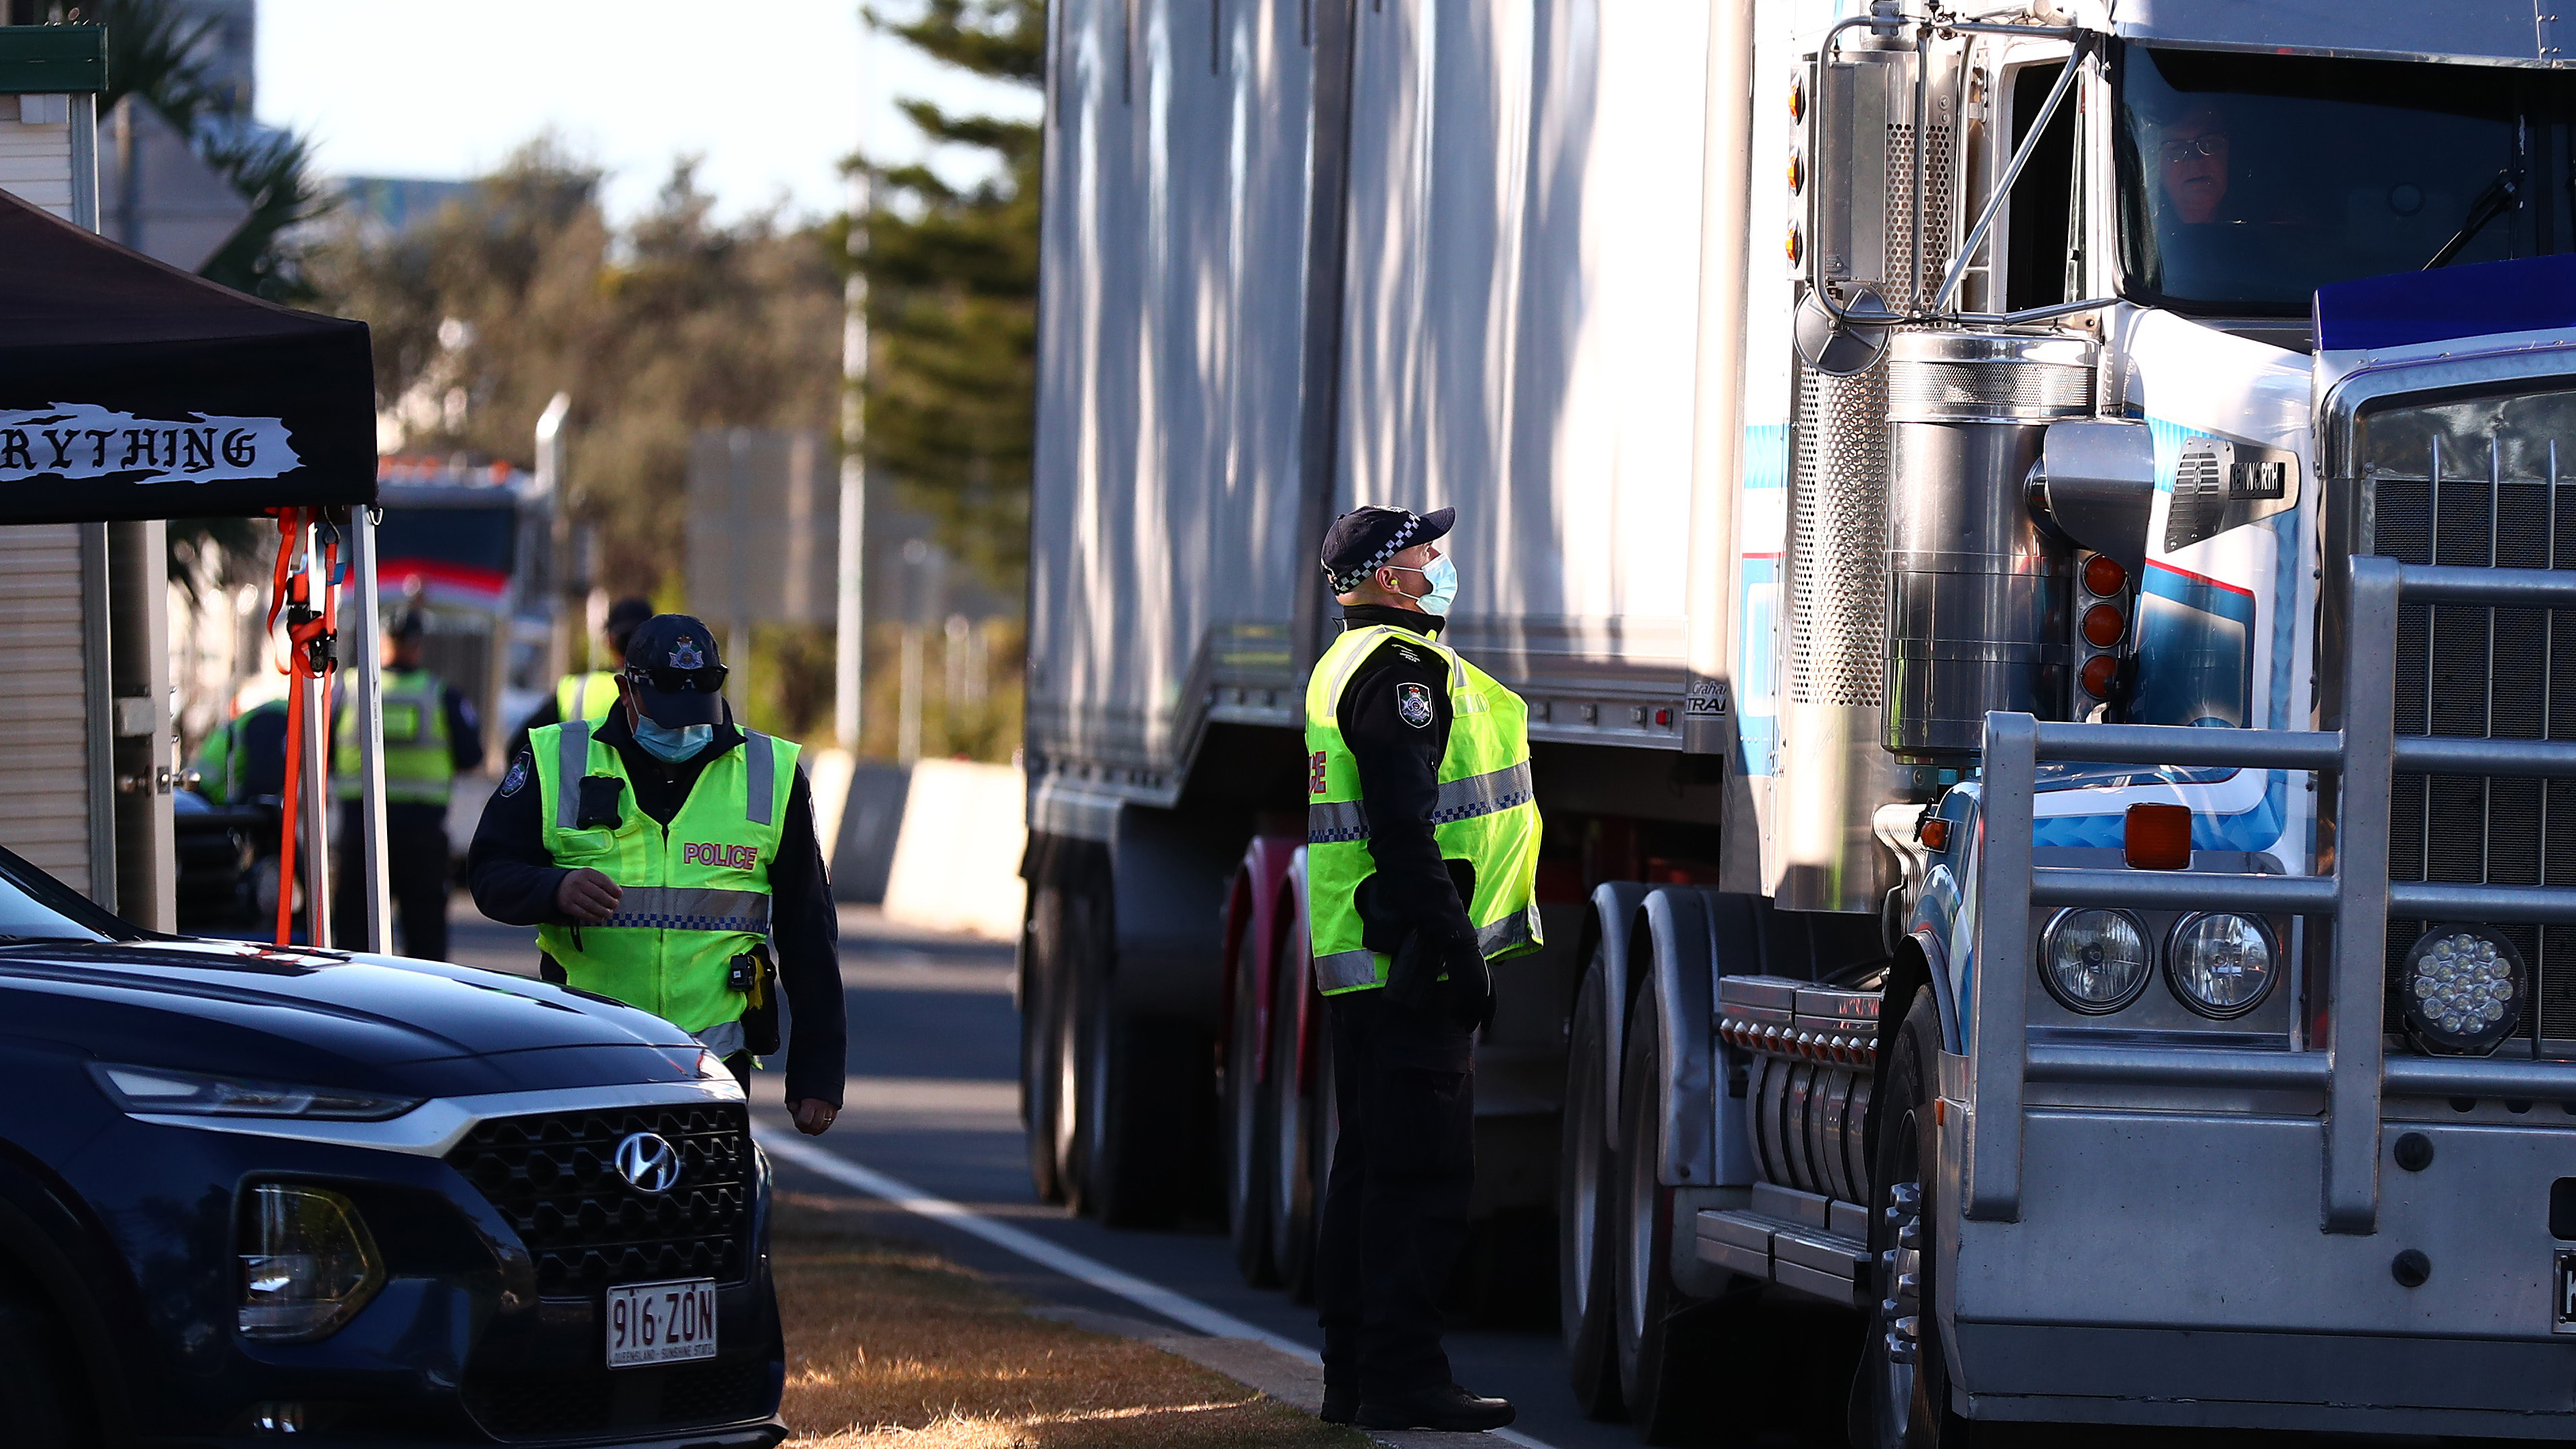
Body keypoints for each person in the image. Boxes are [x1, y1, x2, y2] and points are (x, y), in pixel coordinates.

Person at [1304, 505, 1541, 1433]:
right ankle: (1402, 1379)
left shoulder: (1347, 665)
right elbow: (1404, 828)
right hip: (1407, 964)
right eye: (1422, 553)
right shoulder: (1400, 674)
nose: (1439, 563)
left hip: (1369, 966)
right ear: (1379, 574)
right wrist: (1454, 950)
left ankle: (1352, 1379)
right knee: (1419, 1180)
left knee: (1369, 1173)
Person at [465, 614, 845, 1137]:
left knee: (705, 1213)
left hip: (710, 1065)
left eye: (695, 712)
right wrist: (555, 888)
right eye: (666, 713)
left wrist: (817, 1072)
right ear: (627, 690)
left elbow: (809, 932)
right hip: (583, 1055)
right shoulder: (559, 756)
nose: (681, 729)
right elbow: (489, 873)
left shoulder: (771, 773)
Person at [333, 609, 484, 960]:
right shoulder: (441, 694)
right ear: (418, 646)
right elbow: (472, 756)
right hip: (422, 834)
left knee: (355, 940)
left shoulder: (349, 689)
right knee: (425, 940)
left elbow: (320, 749)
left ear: (380, 641)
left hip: (362, 830)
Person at [506, 595, 655, 763]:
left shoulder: (577, 690)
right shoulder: (668, 688)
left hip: (582, 787)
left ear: (610, 641)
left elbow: (519, 750)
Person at [192, 693, 290, 805]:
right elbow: (264, 782)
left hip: (208, 798)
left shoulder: (275, 713)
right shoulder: (275, 720)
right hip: (211, 804)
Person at [2157, 103, 2230, 225]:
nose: (2195, 161)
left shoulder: (2265, 236)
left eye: (2208, 144)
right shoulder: (2132, 234)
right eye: (2177, 149)